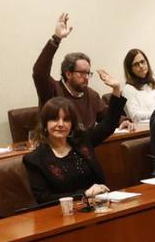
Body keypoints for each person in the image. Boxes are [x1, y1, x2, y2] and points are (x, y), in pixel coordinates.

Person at [23, 72, 127, 204]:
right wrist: (84, 194)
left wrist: (116, 89)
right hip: (64, 212)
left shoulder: (82, 141)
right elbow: (44, 199)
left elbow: (108, 125)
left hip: (98, 206)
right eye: (55, 119)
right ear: (45, 124)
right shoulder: (35, 159)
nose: (61, 124)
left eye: (66, 120)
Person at [32, 12, 107, 130]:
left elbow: (107, 117)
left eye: (88, 73)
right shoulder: (52, 90)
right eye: (82, 73)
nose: (86, 77)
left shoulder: (91, 95)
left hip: (85, 142)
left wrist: (124, 121)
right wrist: (56, 39)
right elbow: (39, 72)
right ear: (68, 73)